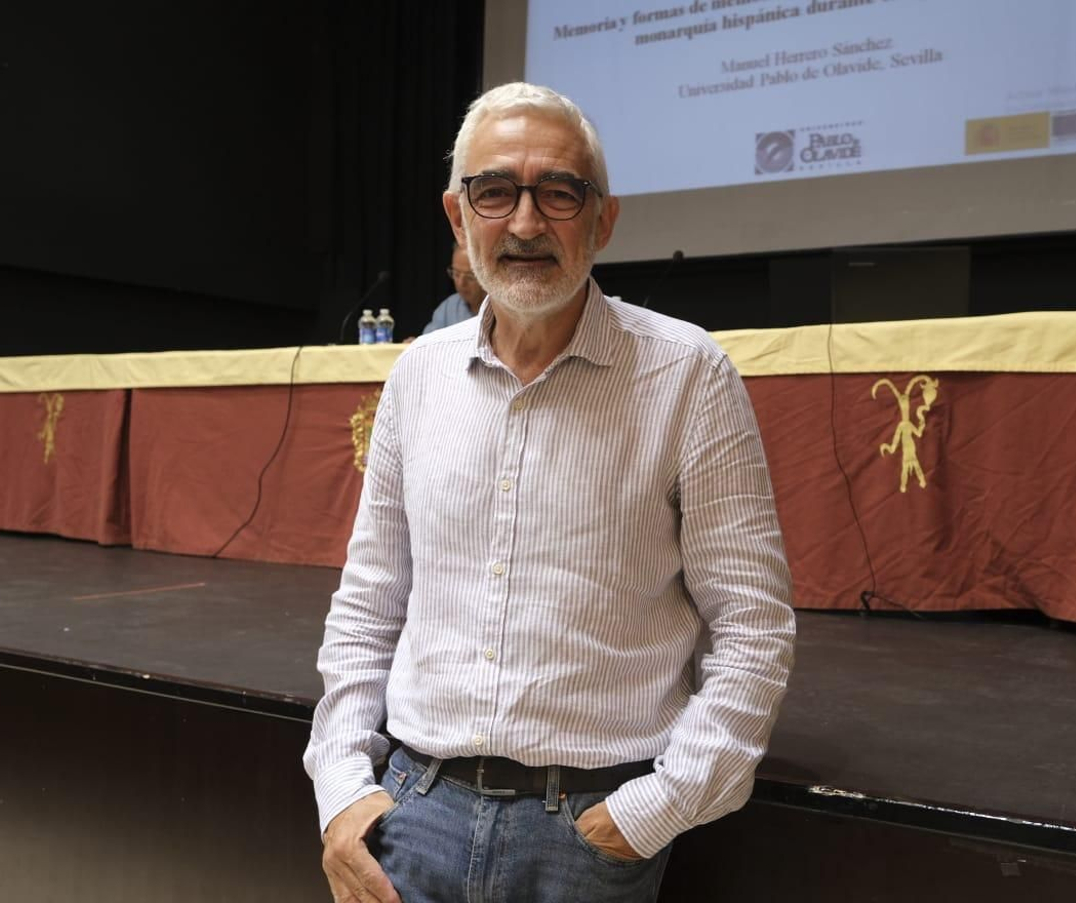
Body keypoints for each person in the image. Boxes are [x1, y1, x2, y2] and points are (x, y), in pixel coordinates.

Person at [304, 82, 796, 903]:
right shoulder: (416, 377)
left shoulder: (688, 376)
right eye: (494, 192)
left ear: (603, 220)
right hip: (409, 817)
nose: (526, 223)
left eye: (558, 193)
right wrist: (342, 790)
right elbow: (368, 606)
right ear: (459, 218)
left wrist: (654, 808)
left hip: (591, 833)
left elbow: (753, 626)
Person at [422, 244, 487, 334]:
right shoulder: (448, 308)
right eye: (456, 274)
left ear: (486, 274)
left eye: (469, 276)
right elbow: (428, 340)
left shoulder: (502, 312)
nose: (461, 283)